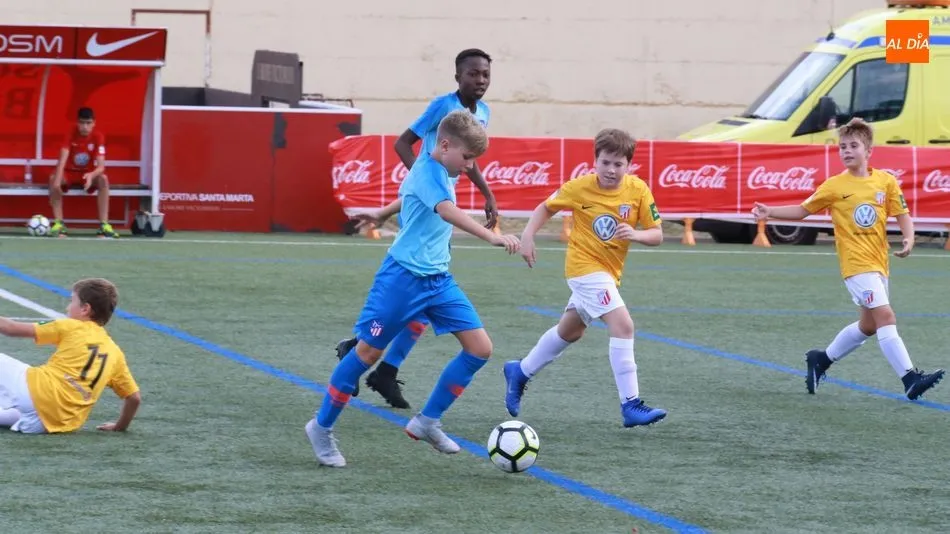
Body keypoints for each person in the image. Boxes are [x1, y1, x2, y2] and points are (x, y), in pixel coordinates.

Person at [306, 110, 519, 467]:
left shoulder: (441, 167)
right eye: (467, 158)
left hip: (438, 280)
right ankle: (321, 427)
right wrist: (491, 237)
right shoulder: (428, 169)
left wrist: (382, 213)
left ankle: (427, 421)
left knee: (480, 349)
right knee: (366, 354)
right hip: (401, 280)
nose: (469, 167)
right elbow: (447, 210)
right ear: (446, 145)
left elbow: (411, 198)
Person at [334, 48, 497, 409]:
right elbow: (401, 143)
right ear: (458, 77)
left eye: (485, 74)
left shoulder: (482, 113)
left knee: (425, 300)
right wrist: (422, 184)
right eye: (473, 74)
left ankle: (384, 369)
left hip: (441, 204)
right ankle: (366, 353)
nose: (480, 80)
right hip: (434, 205)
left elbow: (470, 160)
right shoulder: (443, 106)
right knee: (419, 288)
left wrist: (487, 193)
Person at [751, 117, 944, 399]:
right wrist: (770, 211)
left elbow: (902, 214)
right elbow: (803, 210)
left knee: (869, 325)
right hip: (855, 266)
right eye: (842, 147)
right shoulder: (834, 186)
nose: (847, 151)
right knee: (886, 316)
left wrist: (909, 237)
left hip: (879, 263)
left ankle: (821, 359)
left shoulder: (885, 182)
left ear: (868, 151)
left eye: (853, 145)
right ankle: (910, 378)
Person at [502, 128, 668, 427]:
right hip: (583, 269)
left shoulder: (638, 190)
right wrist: (527, 236)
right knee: (623, 325)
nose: (611, 170)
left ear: (629, 166)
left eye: (618, 164)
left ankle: (520, 371)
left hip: (608, 273)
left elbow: (657, 235)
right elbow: (546, 207)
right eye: (605, 162)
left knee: (571, 331)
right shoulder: (579, 188)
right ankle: (631, 404)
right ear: (595, 161)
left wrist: (637, 234)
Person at [0, 278, 141, 434]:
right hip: (49, 424)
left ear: (85, 309)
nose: (68, 307)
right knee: (18, 410)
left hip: (37, 393)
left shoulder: (72, 326)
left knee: (25, 392)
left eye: (72, 301)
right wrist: (119, 427)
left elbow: (10, 328)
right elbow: (134, 398)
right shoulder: (116, 354)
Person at [49, 107, 120, 238]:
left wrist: (91, 175)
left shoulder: (98, 137)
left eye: (88, 123)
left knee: (103, 179)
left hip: (87, 174)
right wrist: (57, 181)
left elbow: (101, 166)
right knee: (54, 178)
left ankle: (104, 225)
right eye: (81, 123)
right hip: (69, 173)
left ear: (94, 123)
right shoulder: (71, 132)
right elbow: (62, 157)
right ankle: (59, 224)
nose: (84, 127)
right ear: (77, 122)